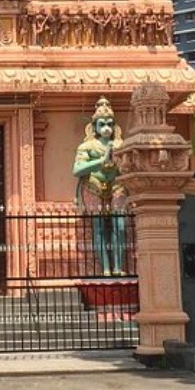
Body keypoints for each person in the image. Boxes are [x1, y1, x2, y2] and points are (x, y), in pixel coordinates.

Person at [73, 97, 128, 277]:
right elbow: (77, 169)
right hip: (94, 185)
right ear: (94, 127)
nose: (106, 128)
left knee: (119, 226)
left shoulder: (121, 145)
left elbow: (129, 168)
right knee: (99, 229)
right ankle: (105, 268)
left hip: (116, 185)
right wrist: (100, 161)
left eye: (110, 124)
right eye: (102, 124)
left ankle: (118, 267)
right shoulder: (87, 146)